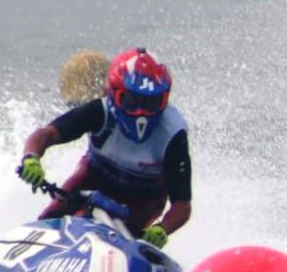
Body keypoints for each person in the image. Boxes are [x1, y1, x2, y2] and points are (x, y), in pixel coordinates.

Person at [16, 47, 191, 248]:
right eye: (132, 101)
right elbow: (45, 134)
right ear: (114, 93)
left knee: (125, 244)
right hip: (93, 177)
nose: (141, 112)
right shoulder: (99, 111)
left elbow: (182, 206)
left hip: (144, 198)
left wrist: (162, 229)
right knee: (48, 223)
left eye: (151, 102)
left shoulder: (173, 134)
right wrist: (31, 158)